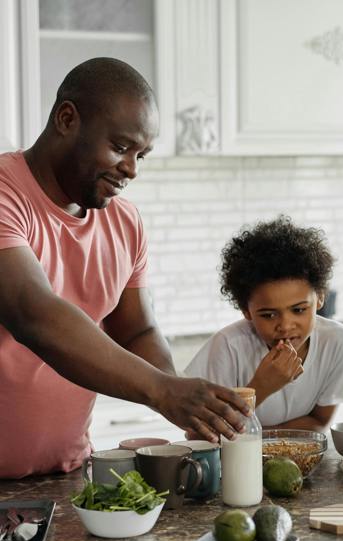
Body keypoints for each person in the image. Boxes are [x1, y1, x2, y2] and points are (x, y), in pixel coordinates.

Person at [0, 58, 249, 479]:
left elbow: (137, 331)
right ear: (66, 118)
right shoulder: (7, 194)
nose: (131, 168)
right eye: (120, 147)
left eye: (141, 155)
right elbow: (32, 313)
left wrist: (188, 407)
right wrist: (160, 390)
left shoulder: (124, 220)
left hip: (67, 475)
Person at [185, 216, 343, 432]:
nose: (285, 326)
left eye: (298, 310)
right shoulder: (228, 347)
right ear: (246, 310)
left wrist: (261, 439)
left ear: (320, 297)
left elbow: (319, 422)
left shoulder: (340, 342)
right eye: (268, 315)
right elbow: (198, 434)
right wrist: (261, 387)